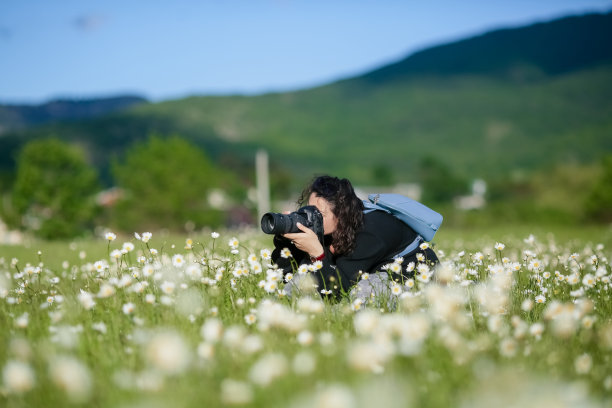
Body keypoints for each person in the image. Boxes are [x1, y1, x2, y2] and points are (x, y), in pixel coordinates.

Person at [271, 175, 438, 301]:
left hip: (412, 276)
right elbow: (288, 274)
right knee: (301, 281)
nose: (312, 217)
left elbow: (338, 291)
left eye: (320, 214)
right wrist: (286, 241)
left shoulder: (371, 231)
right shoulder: (332, 228)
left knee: (363, 292)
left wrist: (317, 253)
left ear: (342, 211)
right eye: (309, 210)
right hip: (368, 271)